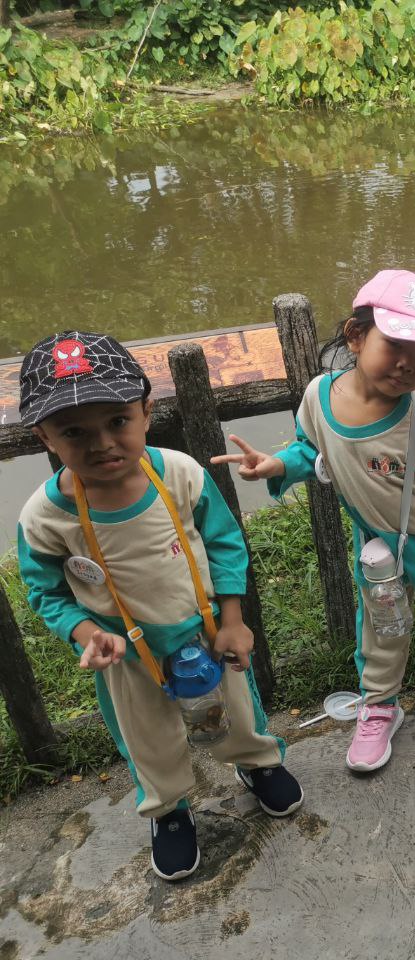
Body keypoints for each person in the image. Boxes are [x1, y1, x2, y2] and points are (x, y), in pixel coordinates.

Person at [16, 332, 302, 881]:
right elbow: (45, 592)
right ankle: (168, 809)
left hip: (207, 634)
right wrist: (85, 634)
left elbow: (223, 542)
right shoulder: (43, 519)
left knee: (239, 713)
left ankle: (257, 764)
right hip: (128, 656)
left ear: (146, 412)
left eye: (117, 421)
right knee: (149, 741)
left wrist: (233, 620)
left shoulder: (179, 473)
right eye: (74, 432)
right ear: (44, 436)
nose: (102, 444)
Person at [217, 270, 415, 769]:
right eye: (395, 345)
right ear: (355, 335)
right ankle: (379, 705)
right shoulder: (318, 398)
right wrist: (277, 465)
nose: (407, 364)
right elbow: (313, 451)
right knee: (381, 628)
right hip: (377, 547)